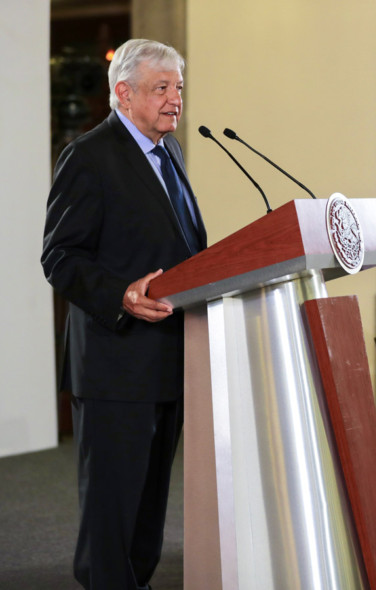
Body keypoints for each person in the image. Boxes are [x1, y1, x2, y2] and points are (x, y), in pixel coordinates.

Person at [41, 39, 207, 590]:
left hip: (168, 358)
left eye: (178, 88)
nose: (174, 99)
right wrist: (121, 294)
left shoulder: (171, 153)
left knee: (148, 506)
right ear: (123, 92)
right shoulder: (89, 155)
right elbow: (60, 257)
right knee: (113, 506)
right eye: (161, 88)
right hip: (116, 363)